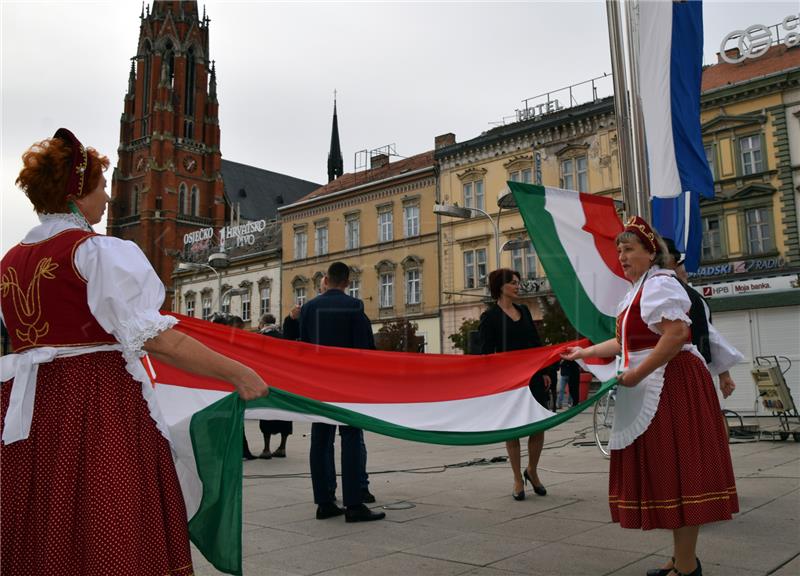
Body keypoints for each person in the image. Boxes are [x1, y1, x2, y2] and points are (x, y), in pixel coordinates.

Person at [0, 128, 269, 575]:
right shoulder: (96, 252)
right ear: (75, 194)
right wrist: (237, 372)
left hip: (28, 408)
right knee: (108, 507)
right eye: (100, 188)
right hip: (94, 401)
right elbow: (156, 337)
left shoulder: (10, 260)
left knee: (42, 511)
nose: (106, 199)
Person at [562, 217, 738, 576]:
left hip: (672, 384)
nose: (622, 257)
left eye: (629, 249)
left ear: (650, 253)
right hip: (659, 385)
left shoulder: (660, 285)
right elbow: (627, 342)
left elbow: (676, 335)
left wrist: (636, 374)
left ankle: (687, 567)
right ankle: (681, 559)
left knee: (681, 473)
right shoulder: (640, 290)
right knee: (671, 475)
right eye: (619, 250)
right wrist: (585, 352)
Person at [300, 261, 384, 522]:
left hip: (316, 383)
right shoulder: (354, 307)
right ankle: (354, 504)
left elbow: (302, 346)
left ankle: (324, 502)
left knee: (320, 441)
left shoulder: (308, 308)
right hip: (346, 384)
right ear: (347, 282)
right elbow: (364, 349)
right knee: (350, 438)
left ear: (325, 279)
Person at [479, 268, 552, 501]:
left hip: (532, 376)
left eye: (518, 282)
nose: (517, 286)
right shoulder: (489, 317)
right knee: (513, 429)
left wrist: (546, 370)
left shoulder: (524, 311)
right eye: (513, 282)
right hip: (508, 381)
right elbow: (484, 353)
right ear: (501, 287)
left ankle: (532, 470)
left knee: (538, 425)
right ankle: (517, 479)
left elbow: (535, 343)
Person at [662, 238, 740, 405]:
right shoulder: (681, 292)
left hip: (678, 374)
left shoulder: (683, 294)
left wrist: (723, 372)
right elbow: (708, 333)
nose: (685, 270)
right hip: (678, 373)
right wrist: (723, 372)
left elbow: (706, 332)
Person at [257, 313, 293, 458]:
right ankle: (282, 447)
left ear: (263, 323)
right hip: (283, 381)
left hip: (267, 379)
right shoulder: (283, 337)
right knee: (284, 413)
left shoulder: (260, 338)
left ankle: (266, 449)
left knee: (266, 413)